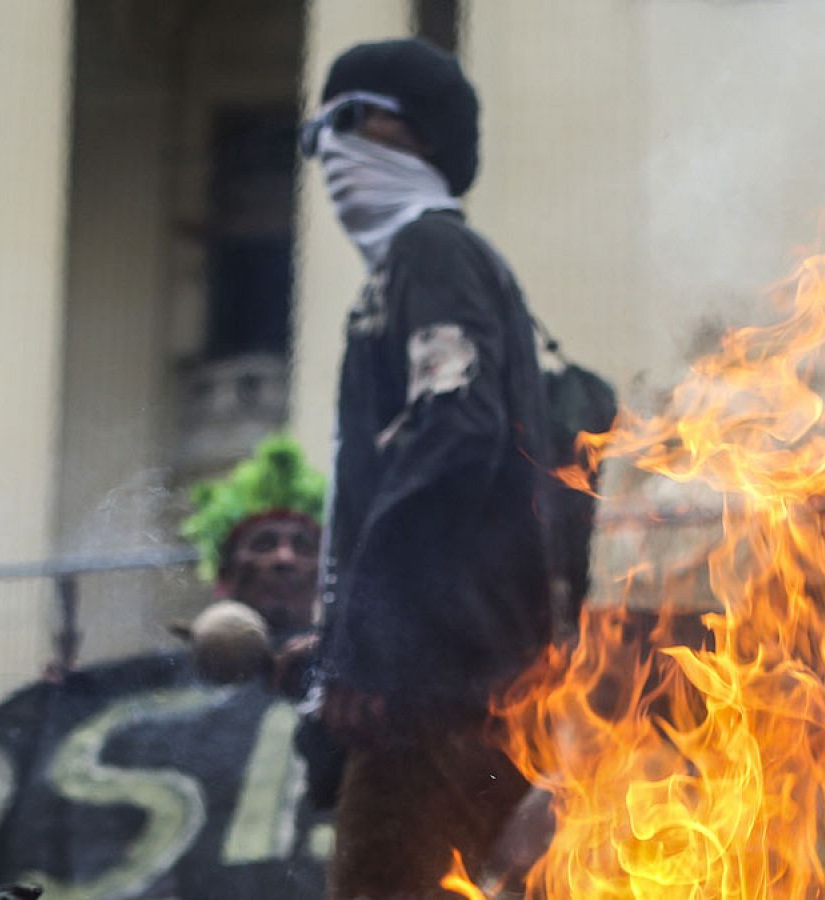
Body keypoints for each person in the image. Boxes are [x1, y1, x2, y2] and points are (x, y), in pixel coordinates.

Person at [300, 38, 554, 899]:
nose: (325, 151)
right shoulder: (424, 266)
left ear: (418, 134)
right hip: (462, 686)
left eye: (343, 121)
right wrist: (338, 636)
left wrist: (368, 646)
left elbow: (455, 438)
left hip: (431, 696)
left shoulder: (430, 253)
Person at [180, 433, 327, 693]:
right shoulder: (176, 689)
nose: (285, 558)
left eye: (303, 546)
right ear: (226, 573)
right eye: (264, 544)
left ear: (322, 575)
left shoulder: (342, 673)